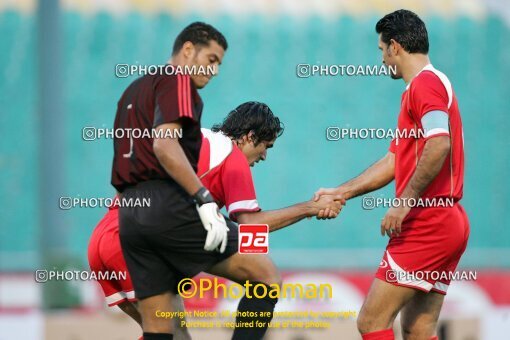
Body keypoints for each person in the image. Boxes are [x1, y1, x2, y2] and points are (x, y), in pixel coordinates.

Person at [104, 96, 342, 339]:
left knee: (171, 334)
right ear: (250, 137)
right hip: (146, 234)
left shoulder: (195, 138)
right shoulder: (232, 156)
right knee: (266, 278)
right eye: (266, 147)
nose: (264, 157)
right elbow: (250, 224)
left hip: (105, 241)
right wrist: (309, 209)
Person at [314, 9, 469, 340]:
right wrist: (342, 192)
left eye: (382, 50)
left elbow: (439, 145)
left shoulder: (424, 85)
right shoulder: (424, 88)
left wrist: (403, 202)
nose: (382, 59)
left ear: (395, 47)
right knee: (418, 328)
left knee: (371, 322)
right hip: (448, 221)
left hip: (427, 221)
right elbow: (392, 161)